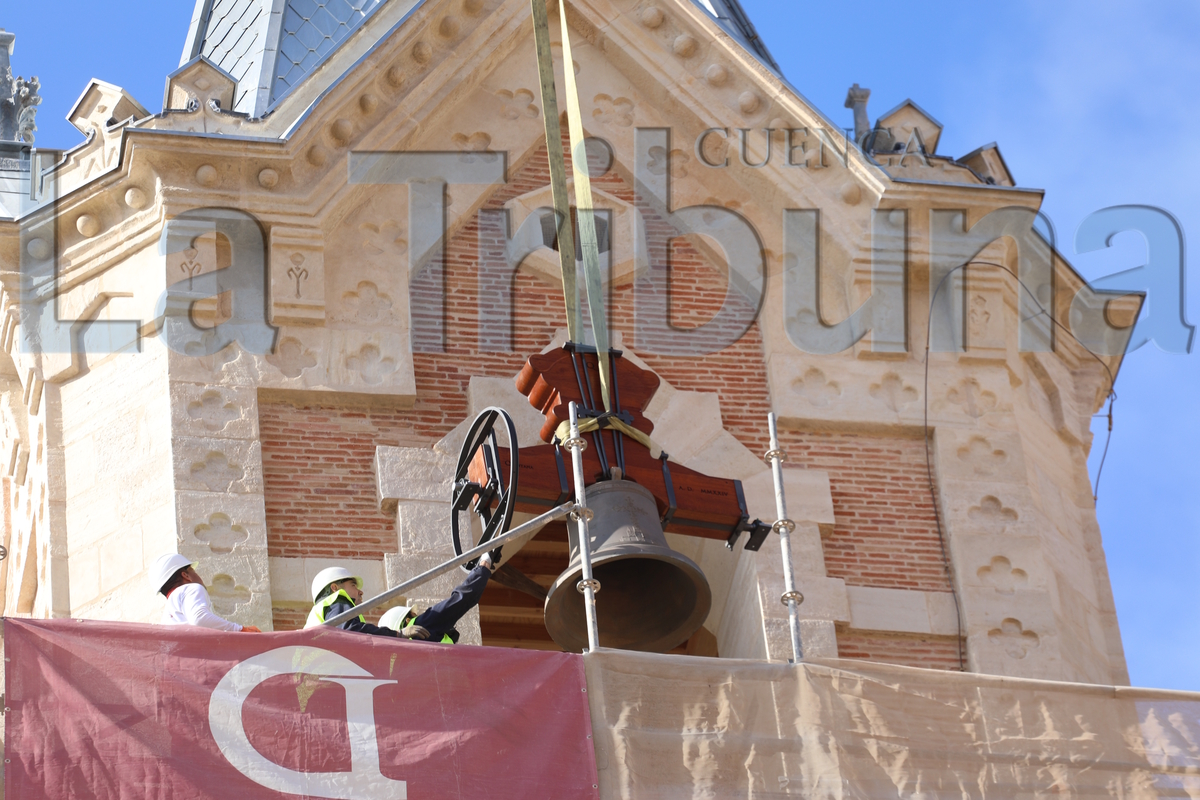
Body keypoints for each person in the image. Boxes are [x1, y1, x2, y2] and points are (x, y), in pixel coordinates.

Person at [305, 553, 497, 642]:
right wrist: (482, 569)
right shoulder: (335, 602)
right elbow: (458, 603)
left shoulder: (316, 621)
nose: (361, 592)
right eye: (353, 585)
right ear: (334, 587)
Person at [152, 553, 260, 632]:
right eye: (193, 571)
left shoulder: (169, 611)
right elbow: (199, 618)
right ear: (186, 575)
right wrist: (240, 630)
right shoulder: (191, 588)